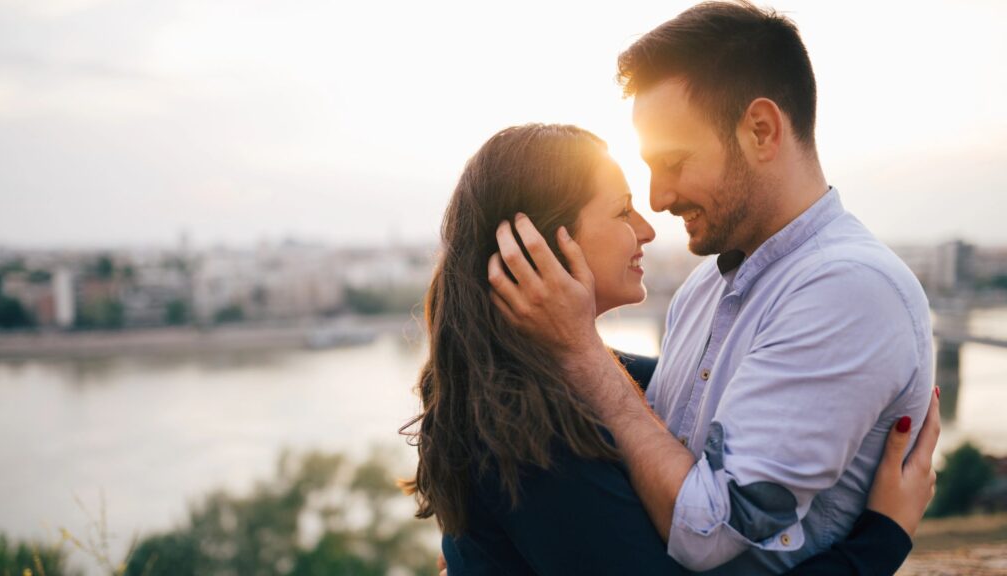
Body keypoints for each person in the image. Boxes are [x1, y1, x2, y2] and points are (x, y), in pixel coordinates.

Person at [487, 2, 934, 574]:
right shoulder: (706, 286)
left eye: (673, 162)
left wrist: (579, 351)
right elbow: (666, 432)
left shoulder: (850, 290)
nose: (658, 197)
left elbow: (707, 532)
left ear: (761, 131)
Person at [402, 123, 938, 575]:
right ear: (541, 244)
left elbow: (682, 388)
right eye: (622, 211)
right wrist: (883, 537)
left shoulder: (521, 384)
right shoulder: (529, 433)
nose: (647, 228)